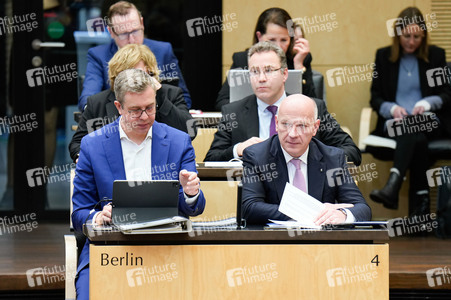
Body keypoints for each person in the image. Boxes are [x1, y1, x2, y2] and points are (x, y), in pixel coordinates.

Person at [72, 69, 205, 299]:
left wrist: (191, 193)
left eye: (150, 108)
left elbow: (194, 207)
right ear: (119, 107)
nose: (144, 117)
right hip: (111, 249)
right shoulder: (92, 145)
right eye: (135, 110)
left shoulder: (177, 141)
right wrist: (97, 217)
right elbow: (79, 213)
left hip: (166, 248)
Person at [205, 41, 361, 165]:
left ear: (284, 73)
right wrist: (238, 149)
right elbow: (210, 160)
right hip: (255, 194)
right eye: (254, 71)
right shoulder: (234, 112)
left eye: (268, 70)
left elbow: (352, 153)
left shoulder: (312, 107)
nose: (261, 78)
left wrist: (309, 155)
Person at [369, 7, 451, 216]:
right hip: (396, 122)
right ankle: (421, 207)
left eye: (417, 36)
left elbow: (446, 93)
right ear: (398, 34)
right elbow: (375, 97)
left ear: (424, 36)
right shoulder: (384, 56)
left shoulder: (435, 56)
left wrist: (427, 103)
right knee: (416, 138)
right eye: (407, 36)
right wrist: (393, 108)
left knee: (416, 128)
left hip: (429, 120)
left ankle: (393, 185)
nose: (412, 41)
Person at [242, 94, 371, 225]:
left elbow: (362, 209)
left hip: (321, 243)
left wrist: (342, 214)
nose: (292, 134)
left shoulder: (333, 159)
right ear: (276, 123)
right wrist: (312, 212)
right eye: (286, 124)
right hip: (274, 242)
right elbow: (249, 208)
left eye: (302, 126)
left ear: (315, 127)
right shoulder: (256, 156)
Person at [69, 44, 194, 163]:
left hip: (161, 165)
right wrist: (83, 158)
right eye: (128, 75)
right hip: (114, 166)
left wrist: (159, 97)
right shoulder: (97, 102)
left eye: (139, 74)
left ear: (150, 73)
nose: (134, 80)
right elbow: (77, 143)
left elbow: (189, 131)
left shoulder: (170, 94)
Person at [78, 1, 192, 111]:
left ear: (142, 24)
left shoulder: (163, 51)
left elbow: (183, 98)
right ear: (111, 32)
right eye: (124, 34)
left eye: (135, 31)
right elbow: (87, 99)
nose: (132, 39)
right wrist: (94, 113)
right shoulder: (98, 55)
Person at [215, 7, 316, 110]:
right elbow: (222, 102)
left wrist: (299, 66)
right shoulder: (242, 60)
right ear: (259, 36)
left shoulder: (299, 59)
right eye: (272, 40)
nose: (278, 46)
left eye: (284, 40)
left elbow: (314, 106)